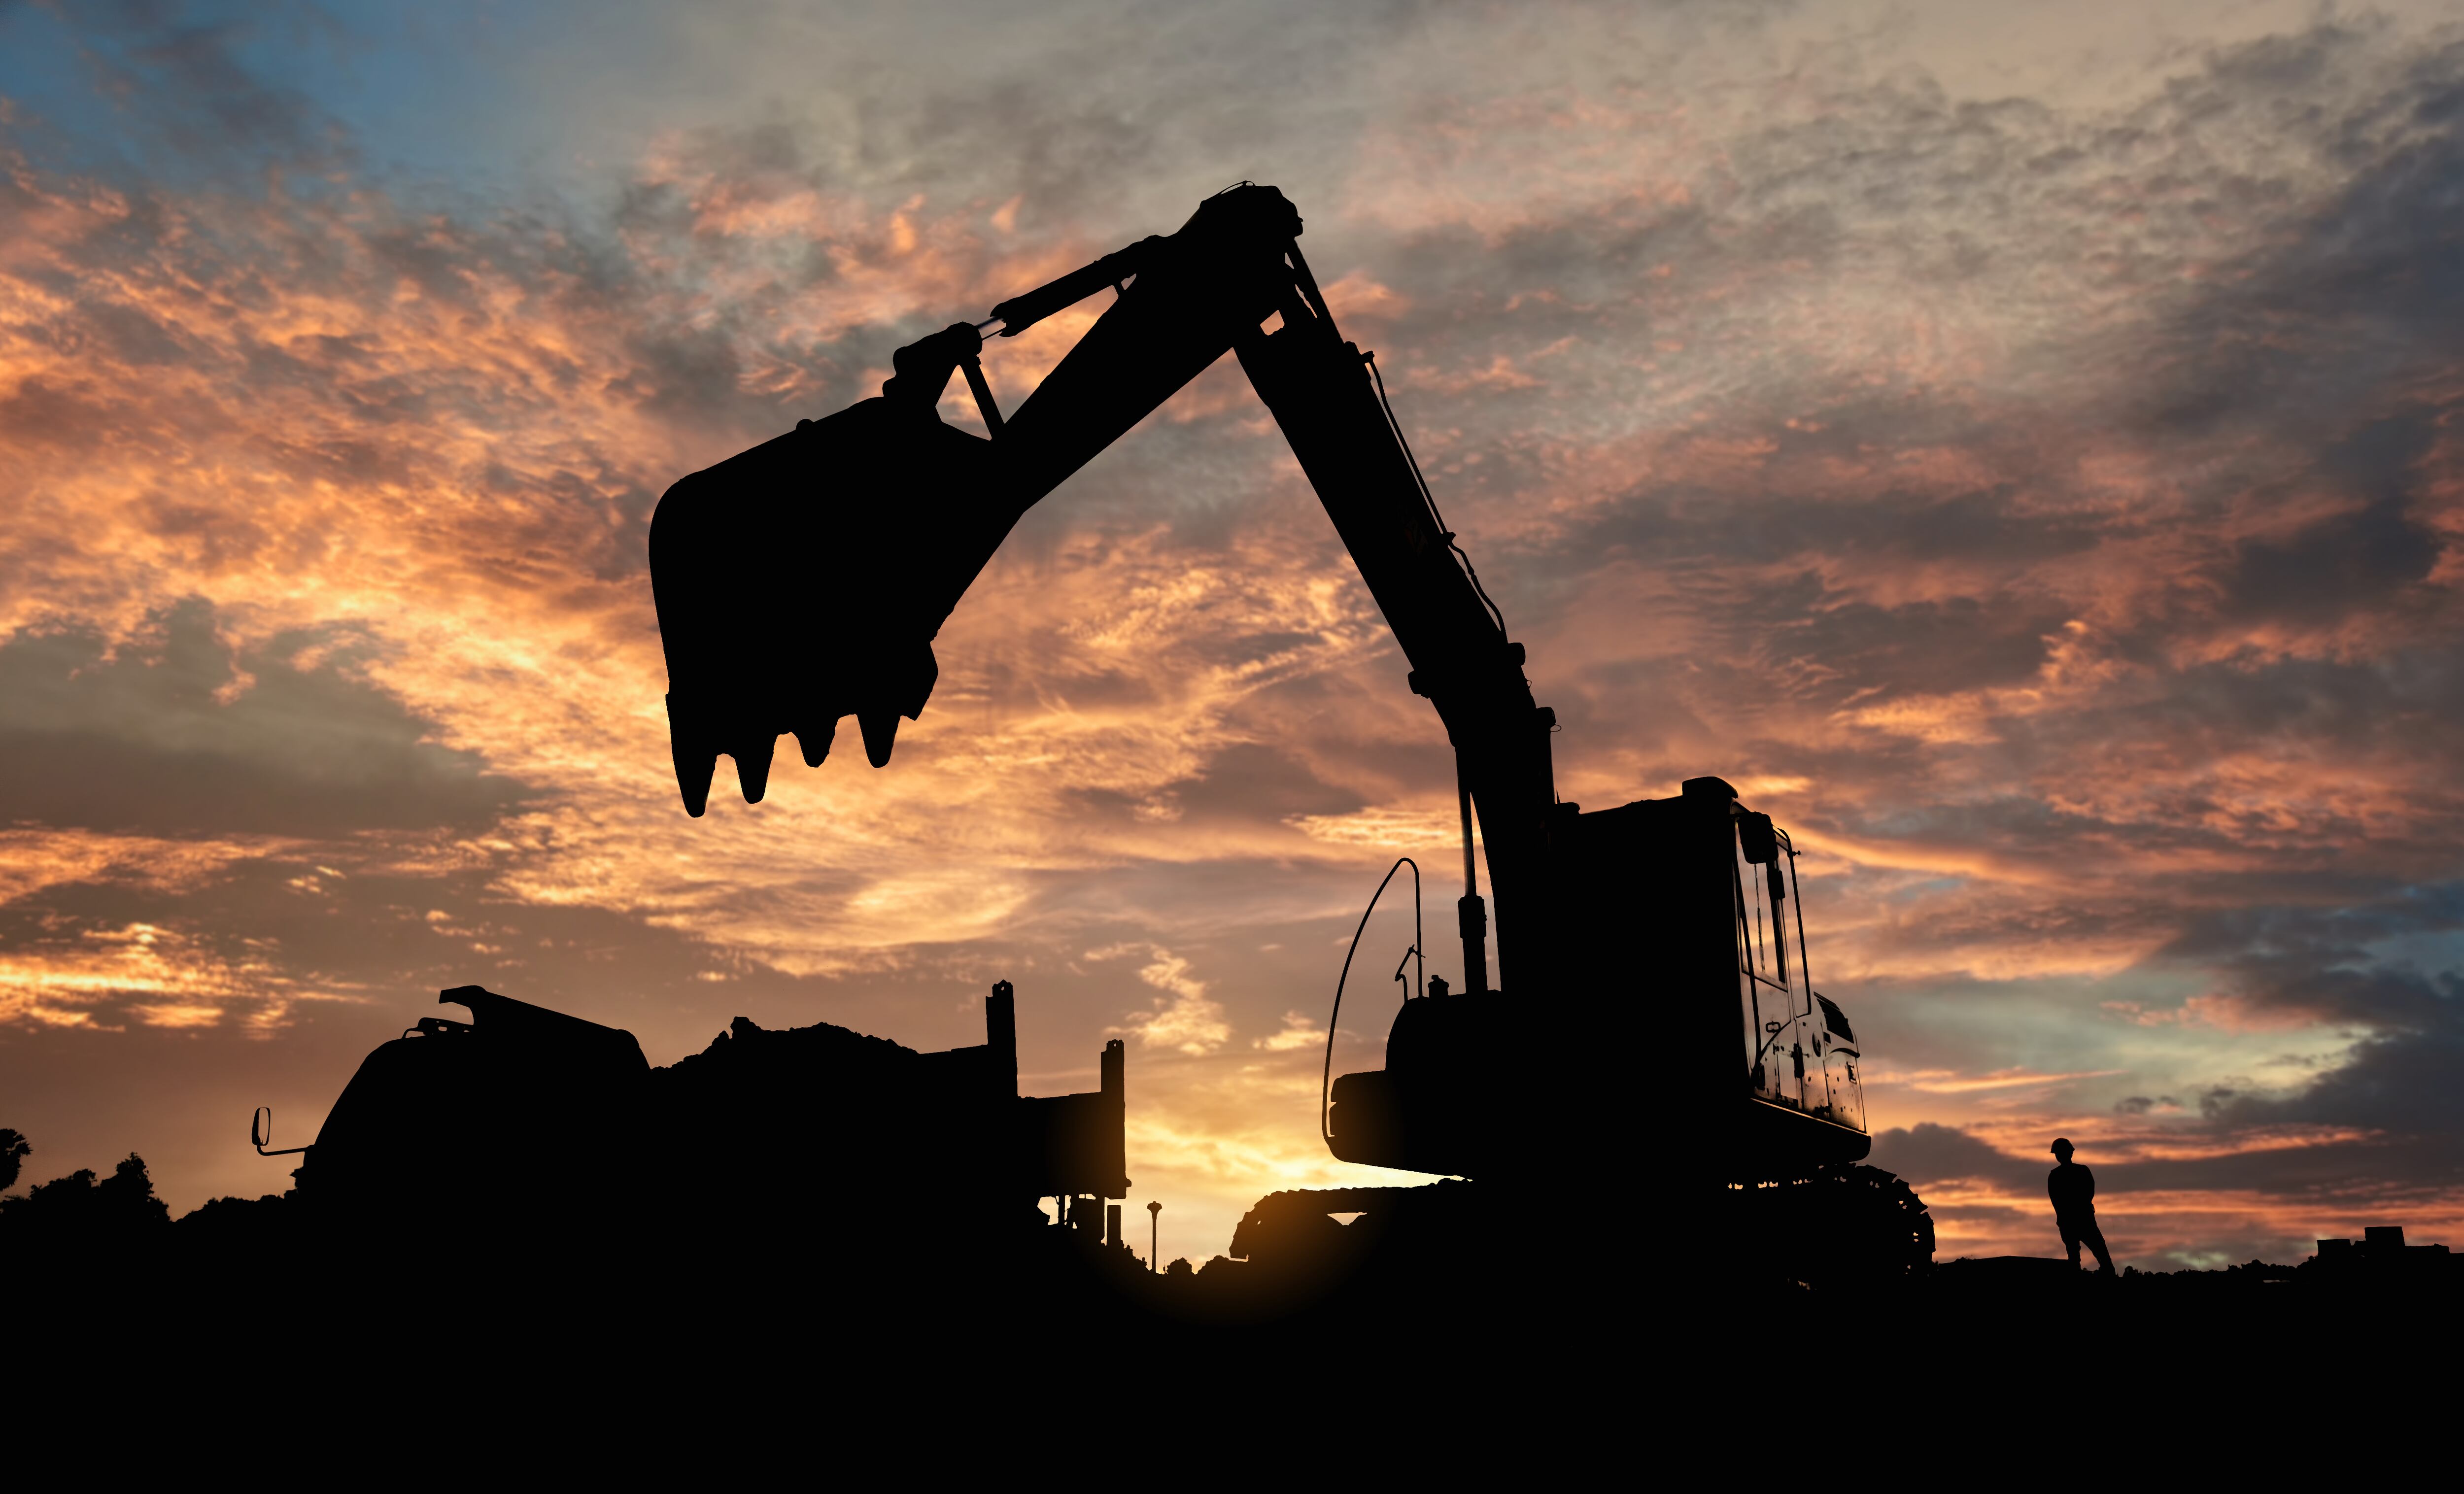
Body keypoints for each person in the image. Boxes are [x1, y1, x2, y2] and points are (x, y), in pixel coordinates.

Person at [2048, 1137, 2115, 1275]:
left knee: (2100, 1256)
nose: (2059, 1156)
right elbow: (2057, 1200)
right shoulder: (2059, 1175)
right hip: (2075, 1221)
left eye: (2059, 1153)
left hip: (2079, 1221)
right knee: (2088, 1258)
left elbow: (2088, 1194)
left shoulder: (2067, 1173)